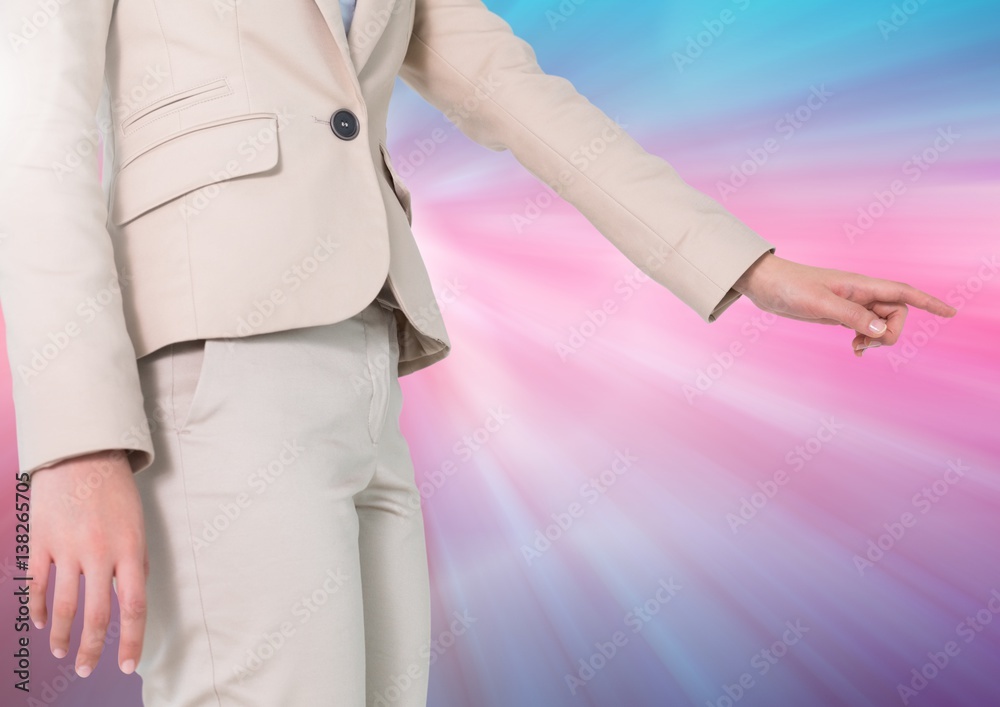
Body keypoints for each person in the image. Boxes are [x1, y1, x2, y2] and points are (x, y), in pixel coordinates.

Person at [1, 0, 956, 705]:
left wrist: (750, 267)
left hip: (371, 359)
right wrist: (78, 444)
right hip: (218, 363)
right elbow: (32, 145)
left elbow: (512, 92)